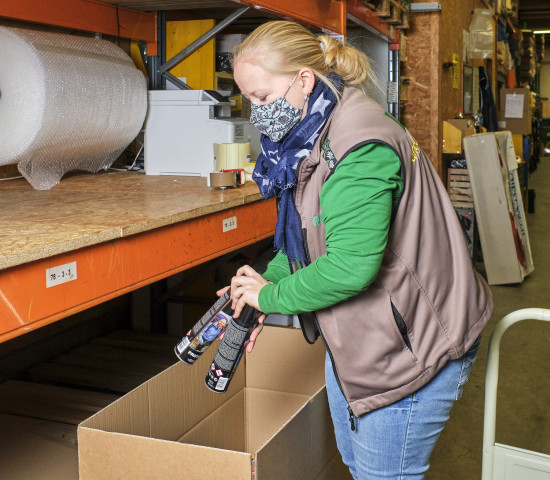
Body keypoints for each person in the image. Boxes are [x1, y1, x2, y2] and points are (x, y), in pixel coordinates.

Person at [222, 20, 493, 480]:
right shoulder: (310, 137)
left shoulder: (357, 147)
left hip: (414, 348)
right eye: (249, 100)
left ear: (303, 80)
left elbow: (350, 268)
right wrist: (267, 284)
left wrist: (269, 298)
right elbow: (308, 237)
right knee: (358, 467)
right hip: (363, 340)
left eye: (263, 98)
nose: (257, 112)